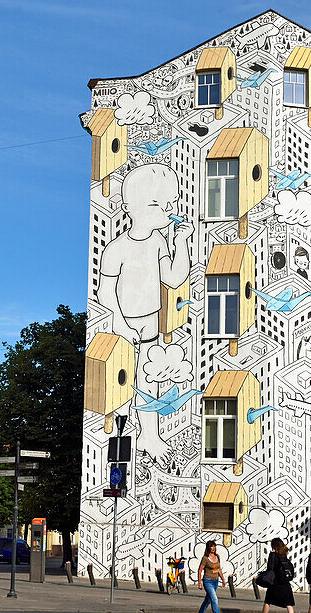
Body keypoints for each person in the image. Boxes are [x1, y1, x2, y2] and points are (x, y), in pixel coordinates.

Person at [96, 163, 193, 462]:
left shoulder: (158, 241)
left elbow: (174, 278)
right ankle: (121, 439)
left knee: (149, 386)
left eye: (168, 203)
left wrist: (182, 242)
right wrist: (121, 326)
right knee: (121, 388)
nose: (165, 210)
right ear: (129, 208)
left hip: (150, 330)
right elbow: (104, 292)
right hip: (123, 334)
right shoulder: (116, 248)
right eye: (156, 204)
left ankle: (150, 436)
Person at [252, 537, 298, 613]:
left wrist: (261, 577)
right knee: (289, 603)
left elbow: (270, 569)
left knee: (268, 601)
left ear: (274, 546)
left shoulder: (273, 555)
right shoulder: (284, 554)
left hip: (275, 583)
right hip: (285, 583)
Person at [194, 540, 227, 613]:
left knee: (208, 600)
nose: (213, 548)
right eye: (211, 546)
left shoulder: (217, 556)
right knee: (214, 598)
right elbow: (200, 570)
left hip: (215, 581)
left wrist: (223, 579)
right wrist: (200, 582)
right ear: (208, 548)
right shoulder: (205, 558)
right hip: (207, 581)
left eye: (214, 546)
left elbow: (218, 569)